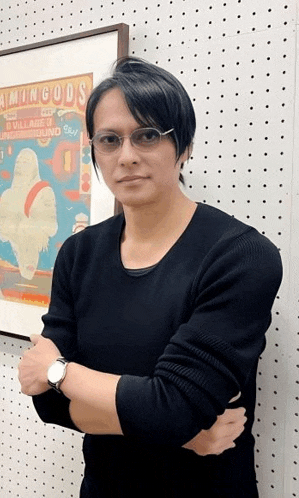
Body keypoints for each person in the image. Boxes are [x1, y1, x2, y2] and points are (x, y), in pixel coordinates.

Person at [18, 57, 282, 497]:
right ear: (95, 152)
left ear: (184, 146)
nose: (126, 156)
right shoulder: (78, 254)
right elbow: (48, 404)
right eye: (109, 139)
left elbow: (172, 406)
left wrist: (58, 370)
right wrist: (180, 432)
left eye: (147, 135)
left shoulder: (240, 257)